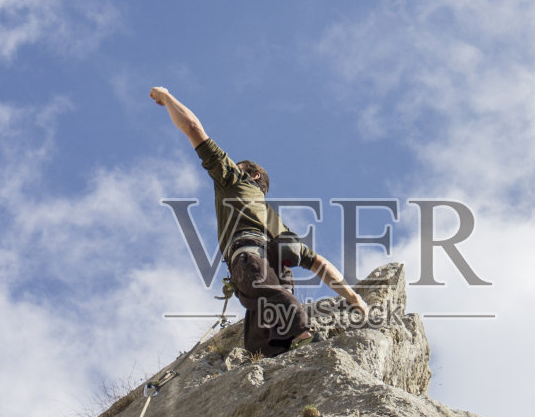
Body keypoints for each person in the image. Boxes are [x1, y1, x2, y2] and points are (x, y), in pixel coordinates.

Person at [150, 87, 370, 357]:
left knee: (268, 297)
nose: (230, 167)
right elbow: (320, 264)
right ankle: (284, 350)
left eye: (237, 165)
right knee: (258, 344)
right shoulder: (282, 229)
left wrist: (167, 97)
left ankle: (305, 337)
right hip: (268, 284)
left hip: (251, 263)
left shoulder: (235, 181)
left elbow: (194, 128)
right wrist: (354, 298)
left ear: (252, 176)